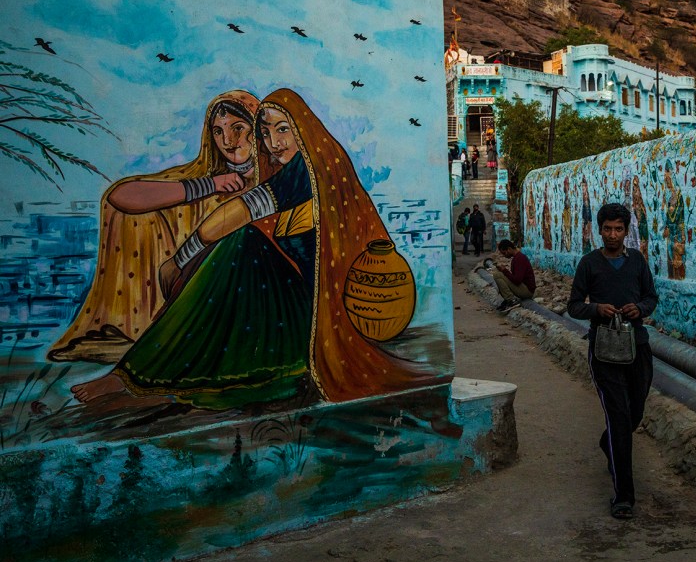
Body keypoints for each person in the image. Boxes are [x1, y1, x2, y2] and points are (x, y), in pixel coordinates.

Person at [72, 88, 436, 408]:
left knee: (243, 241)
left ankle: (134, 375)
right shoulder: (249, 173)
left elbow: (238, 213)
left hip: (313, 319)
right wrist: (209, 186)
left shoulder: (304, 171)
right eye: (265, 132)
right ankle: (142, 370)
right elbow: (121, 197)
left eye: (281, 130)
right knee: (241, 245)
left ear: (303, 130)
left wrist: (178, 261)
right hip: (276, 302)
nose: (272, 142)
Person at [49, 90, 261, 363]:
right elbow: (119, 197)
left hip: (243, 289)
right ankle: (138, 331)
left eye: (238, 128)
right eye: (218, 132)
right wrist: (210, 185)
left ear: (258, 129)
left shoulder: (276, 181)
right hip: (181, 278)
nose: (228, 141)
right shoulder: (204, 175)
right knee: (137, 216)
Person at [568, 202, 658, 520]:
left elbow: (651, 297)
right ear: (599, 230)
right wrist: (597, 309)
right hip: (604, 352)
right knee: (619, 420)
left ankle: (608, 444)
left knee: (634, 414)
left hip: (638, 348)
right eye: (607, 229)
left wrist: (639, 308)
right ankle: (623, 497)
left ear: (626, 231)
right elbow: (574, 305)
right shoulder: (589, 264)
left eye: (618, 229)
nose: (612, 234)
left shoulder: (637, 262)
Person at [492, 239, 536, 313]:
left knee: (497, 275)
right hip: (524, 288)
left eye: (504, 253)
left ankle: (511, 300)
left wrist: (505, 271)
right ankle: (508, 299)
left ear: (509, 249)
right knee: (498, 273)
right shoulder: (517, 258)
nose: (504, 255)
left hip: (527, 291)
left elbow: (517, 280)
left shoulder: (519, 258)